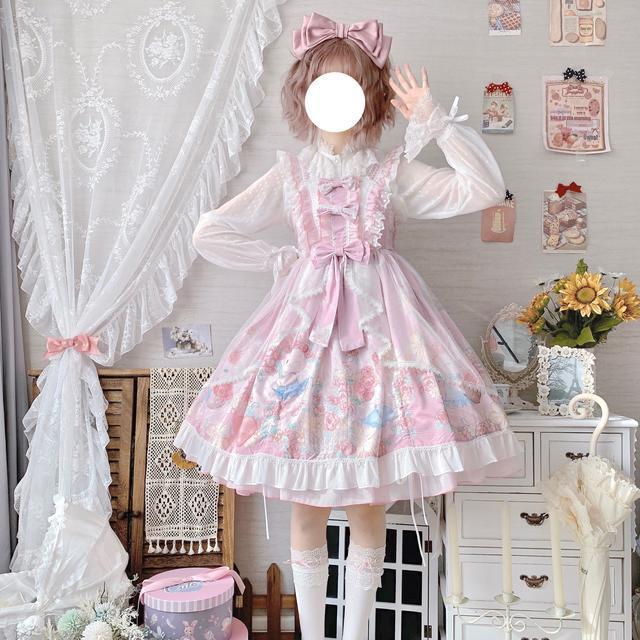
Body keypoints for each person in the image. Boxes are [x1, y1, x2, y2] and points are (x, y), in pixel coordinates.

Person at [174, 12, 522, 640]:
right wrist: (279, 259)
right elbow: (210, 231)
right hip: (303, 339)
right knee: (306, 499)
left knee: (368, 499)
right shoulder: (290, 176)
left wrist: (435, 121)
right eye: (323, 84)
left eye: (352, 84)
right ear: (304, 93)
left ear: (371, 96)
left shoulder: (391, 175)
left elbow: (484, 189)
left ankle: (356, 632)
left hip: (385, 339)